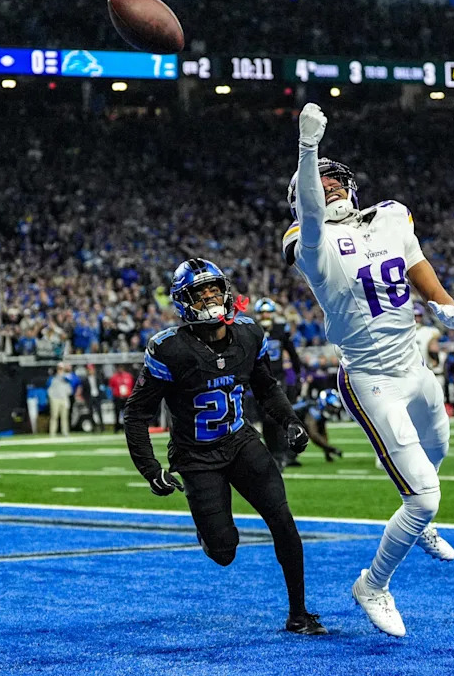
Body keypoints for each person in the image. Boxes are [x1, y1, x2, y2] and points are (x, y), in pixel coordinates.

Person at [282, 103, 454, 637]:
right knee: (424, 495)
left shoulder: (390, 214)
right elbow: (312, 216)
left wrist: (440, 299)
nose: (329, 187)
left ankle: (417, 523)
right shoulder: (308, 240)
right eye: (319, 182)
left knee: (440, 450)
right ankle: (373, 584)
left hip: (414, 364)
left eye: (336, 180)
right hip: (371, 378)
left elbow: (414, 260)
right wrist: (308, 150)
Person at [123, 258, 326, 636]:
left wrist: (290, 422)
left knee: (282, 520)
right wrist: (150, 470)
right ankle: (209, 532)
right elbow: (136, 414)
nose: (211, 297)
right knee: (224, 551)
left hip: (240, 440)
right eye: (201, 293)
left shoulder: (249, 334)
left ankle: (299, 614)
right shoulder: (170, 349)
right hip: (196, 455)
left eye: (215, 289)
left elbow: (266, 386)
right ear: (184, 302)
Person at [253, 297, 304, 470]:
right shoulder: (254, 330)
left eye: (268, 312)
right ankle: (274, 453)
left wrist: (298, 375)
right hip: (259, 378)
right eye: (262, 312)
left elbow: (293, 353)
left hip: (277, 379)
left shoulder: (281, 330)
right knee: (265, 419)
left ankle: (282, 454)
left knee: (277, 417)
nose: (266, 315)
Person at [291, 388, 345, 461]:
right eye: (332, 407)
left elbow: (323, 433)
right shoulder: (314, 410)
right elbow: (313, 434)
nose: (334, 410)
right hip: (281, 423)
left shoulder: (320, 411)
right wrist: (331, 448)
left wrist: (327, 453)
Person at [47, 363, 73, 437]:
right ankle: (52, 433)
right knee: (54, 416)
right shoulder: (53, 378)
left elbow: (70, 388)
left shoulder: (67, 378)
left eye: (61, 368)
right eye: (59, 368)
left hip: (64, 399)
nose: (60, 370)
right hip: (55, 399)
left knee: (64, 417)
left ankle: (65, 432)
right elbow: (49, 387)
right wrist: (51, 397)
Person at [109, 365, 135, 433]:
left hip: (127, 397)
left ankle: (128, 427)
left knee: (128, 413)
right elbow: (111, 387)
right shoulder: (114, 377)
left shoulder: (128, 376)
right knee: (117, 413)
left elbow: (132, 386)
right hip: (118, 397)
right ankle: (117, 428)